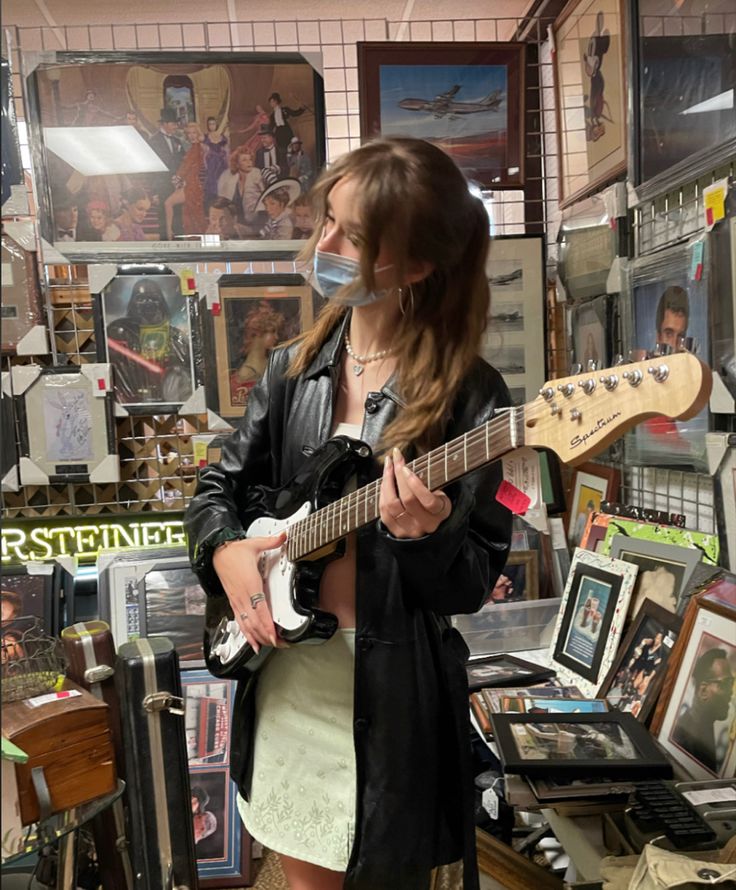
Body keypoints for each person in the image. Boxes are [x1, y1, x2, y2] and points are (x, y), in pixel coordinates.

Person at [185, 136, 513, 890]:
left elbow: (468, 586)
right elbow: (216, 492)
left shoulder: (471, 397)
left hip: (389, 700)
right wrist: (229, 553)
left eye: (353, 236)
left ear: (420, 266)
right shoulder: (294, 366)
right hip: (287, 680)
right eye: (327, 219)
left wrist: (424, 537)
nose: (322, 244)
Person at [671, 646, 734, 774]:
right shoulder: (687, 739)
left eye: (731, 683)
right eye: (726, 683)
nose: (730, 692)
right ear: (703, 690)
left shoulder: (699, 729)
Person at [229, 300, 284, 407]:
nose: (277, 337)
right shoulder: (247, 373)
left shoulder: (270, 363)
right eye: (272, 331)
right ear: (258, 333)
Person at [164, 121, 207, 239]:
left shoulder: (197, 148)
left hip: (191, 185)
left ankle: (169, 233)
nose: (192, 135)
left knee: (169, 204)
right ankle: (171, 233)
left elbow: (186, 166)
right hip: (188, 184)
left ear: (198, 133)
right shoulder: (193, 147)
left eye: (194, 132)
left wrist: (177, 177)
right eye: (189, 133)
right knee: (190, 215)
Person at [217, 146, 264, 230]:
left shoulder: (256, 175)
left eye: (250, 159)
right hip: (239, 224)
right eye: (244, 160)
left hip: (257, 224)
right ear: (237, 164)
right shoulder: (233, 180)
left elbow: (265, 198)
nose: (249, 162)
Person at [267, 92, 307, 170]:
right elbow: (271, 126)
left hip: (286, 130)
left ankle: (296, 164)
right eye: (270, 102)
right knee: (282, 150)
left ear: (276, 101)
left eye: (272, 102)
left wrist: (302, 109)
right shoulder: (272, 115)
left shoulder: (285, 109)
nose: (271, 104)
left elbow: (295, 113)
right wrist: (269, 133)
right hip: (279, 132)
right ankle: (285, 167)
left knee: (291, 147)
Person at [202, 116, 229, 204]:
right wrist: (205, 161)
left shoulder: (221, 136)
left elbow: (225, 149)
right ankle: (213, 199)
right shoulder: (205, 136)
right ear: (207, 125)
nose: (212, 126)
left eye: (213, 124)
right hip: (211, 161)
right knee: (212, 179)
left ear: (216, 125)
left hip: (221, 161)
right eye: (210, 124)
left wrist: (224, 155)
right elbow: (205, 151)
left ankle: (222, 199)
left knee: (222, 178)